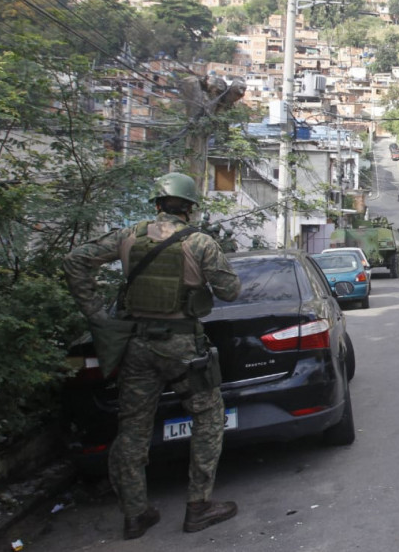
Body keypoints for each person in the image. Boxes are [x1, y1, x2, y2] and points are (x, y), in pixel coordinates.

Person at [63, 172, 242, 540]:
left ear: (156, 204)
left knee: (132, 430)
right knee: (207, 420)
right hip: (182, 348)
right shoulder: (200, 243)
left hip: (137, 346)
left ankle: (135, 514)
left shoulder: (128, 236)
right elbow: (231, 291)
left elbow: (75, 260)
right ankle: (198, 506)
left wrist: (96, 313)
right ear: (190, 208)